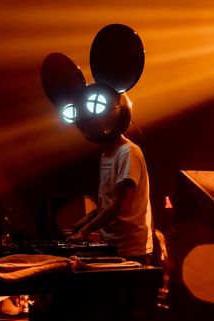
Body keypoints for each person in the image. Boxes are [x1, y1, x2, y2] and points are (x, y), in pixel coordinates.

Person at [66, 92, 153, 265]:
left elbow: (118, 204)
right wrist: (83, 223)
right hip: (112, 244)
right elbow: (107, 202)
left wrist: (84, 231)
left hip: (131, 248)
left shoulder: (128, 152)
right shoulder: (106, 155)